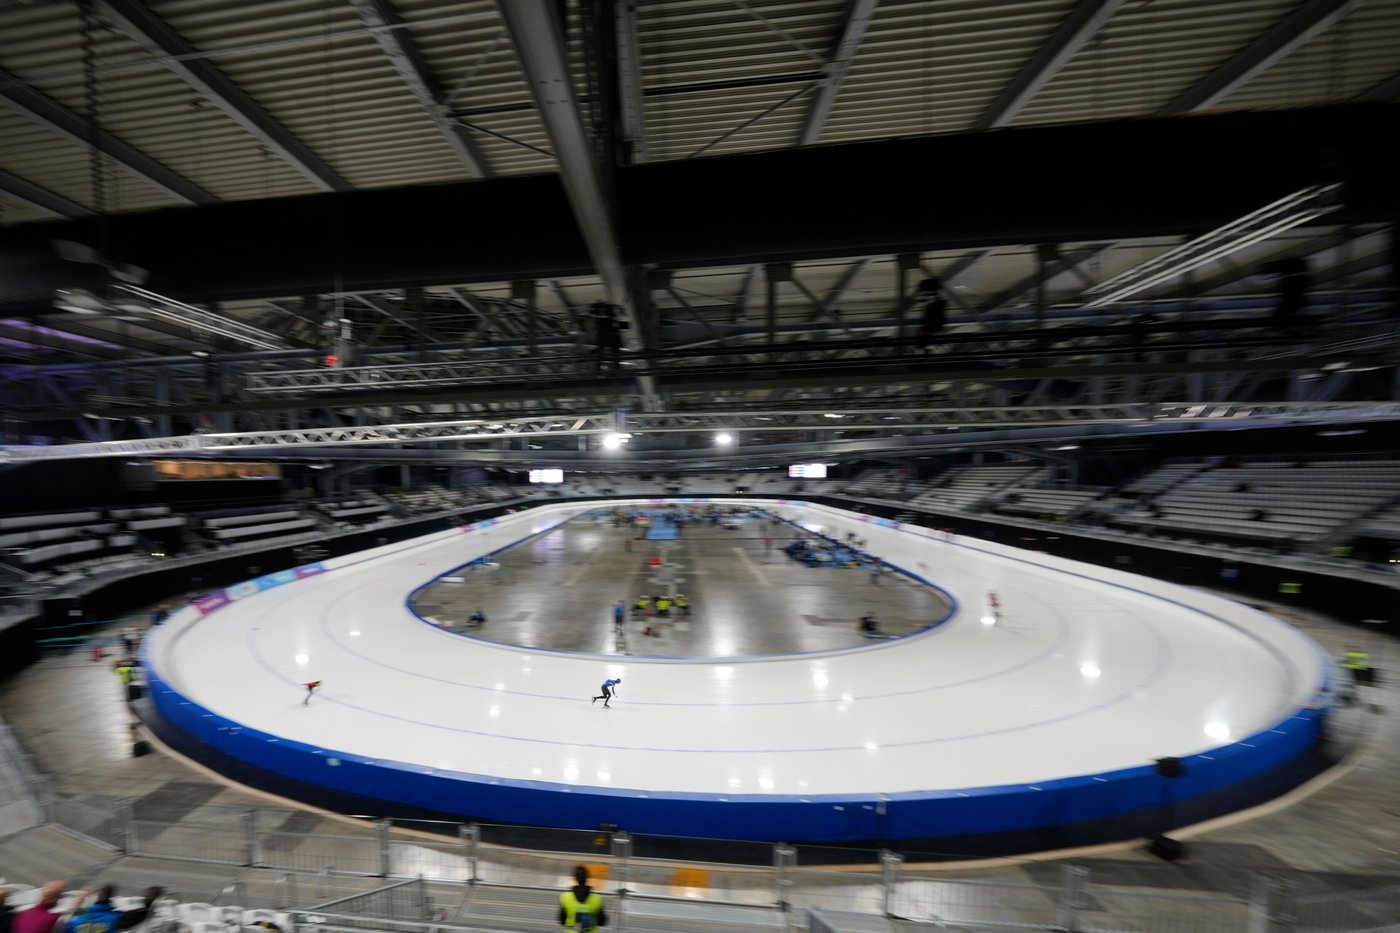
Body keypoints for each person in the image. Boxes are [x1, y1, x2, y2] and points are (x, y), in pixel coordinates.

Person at [558, 864, 606, 930]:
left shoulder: (565, 897)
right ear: (587, 878)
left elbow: (562, 921)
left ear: (575, 878)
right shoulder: (596, 898)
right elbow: (602, 922)